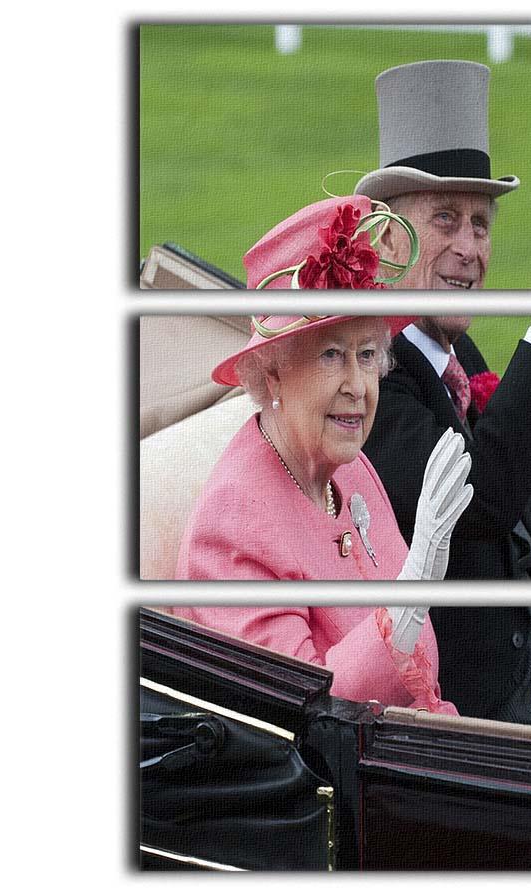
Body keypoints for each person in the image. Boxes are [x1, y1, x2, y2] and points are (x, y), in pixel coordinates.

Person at [357, 61, 531, 723]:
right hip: (484, 721)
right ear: (389, 239)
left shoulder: (453, 352)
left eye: (480, 224)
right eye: (444, 220)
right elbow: (480, 500)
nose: (469, 248)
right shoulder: (369, 380)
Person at [172, 196, 473, 714]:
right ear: (272, 374)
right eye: (331, 355)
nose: (358, 386)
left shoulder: (350, 470)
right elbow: (304, 723)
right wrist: (409, 597)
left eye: (366, 355)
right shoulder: (232, 532)